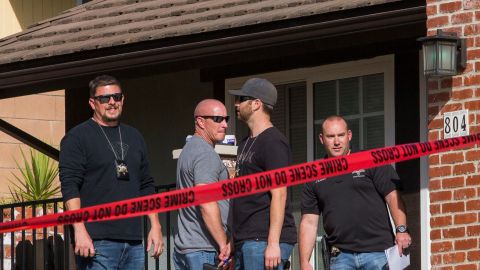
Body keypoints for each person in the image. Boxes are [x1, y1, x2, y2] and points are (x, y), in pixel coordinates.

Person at [59, 75, 164, 270]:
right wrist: (79, 230)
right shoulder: (77, 137)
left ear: (123, 99)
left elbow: (146, 184)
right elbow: (70, 186)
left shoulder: (135, 136)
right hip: (97, 242)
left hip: (133, 241)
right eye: (105, 98)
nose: (112, 102)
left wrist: (155, 226)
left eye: (116, 97)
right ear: (93, 102)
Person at [298, 115, 411, 270]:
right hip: (340, 257)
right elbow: (309, 222)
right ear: (321, 139)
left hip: (377, 252)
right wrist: (304, 261)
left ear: (349, 135)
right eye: (331, 136)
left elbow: (393, 197)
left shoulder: (370, 160)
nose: (336, 142)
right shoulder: (313, 174)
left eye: (341, 135)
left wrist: (402, 229)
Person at [229, 78, 297, 270]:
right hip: (246, 239)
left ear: (256, 104)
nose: (236, 104)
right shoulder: (245, 143)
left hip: (263, 240)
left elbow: (280, 192)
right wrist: (233, 239)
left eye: (242, 99)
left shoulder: (274, 142)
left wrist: (273, 242)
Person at [173, 99, 233, 270]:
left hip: (186, 247)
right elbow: (206, 202)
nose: (224, 124)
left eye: (226, 119)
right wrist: (224, 244)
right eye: (217, 119)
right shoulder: (205, 154)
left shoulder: (189, 149)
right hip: (204, 248)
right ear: (200, 121)